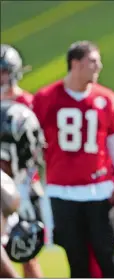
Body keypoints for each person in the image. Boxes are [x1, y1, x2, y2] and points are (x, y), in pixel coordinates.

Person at [32, 41, 114, 278]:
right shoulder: (46, 98)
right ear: (75, 63)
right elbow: (31, 145)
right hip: (62, 190)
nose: (99, 66)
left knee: (107, 256)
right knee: (76, 260)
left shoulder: (106, 98)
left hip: (99, 190)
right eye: (93, 61)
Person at [1, 44, 44, 278]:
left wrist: (25, 186)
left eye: (2, 71)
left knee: (27, 252)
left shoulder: (29, 102)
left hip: (24, 185)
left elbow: (39, 147)